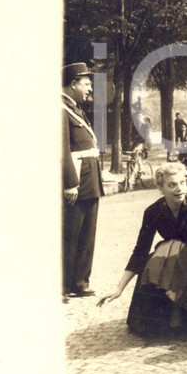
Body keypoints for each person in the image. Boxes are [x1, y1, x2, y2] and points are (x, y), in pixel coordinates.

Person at [97, 163, 187, 335]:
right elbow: (141, 249)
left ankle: (184, 312)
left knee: (171, 247)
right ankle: (167, 313)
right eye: (172, 185)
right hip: (173, 260)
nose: (179, 189)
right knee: (161, 252)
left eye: (182, 183)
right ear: (161, 188)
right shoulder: (153, 211)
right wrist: (119, 287)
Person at [62, 62, 104, 301]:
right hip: (76, 181)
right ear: (73, 83)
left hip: (89, 180)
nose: (89, 88)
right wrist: (70, 182)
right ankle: (61, 286)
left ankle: (79, 282)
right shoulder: (60, 108)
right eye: (87, 83)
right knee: (70, 234)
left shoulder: (73, 107)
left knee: (87, 233)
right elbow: (63, 149)